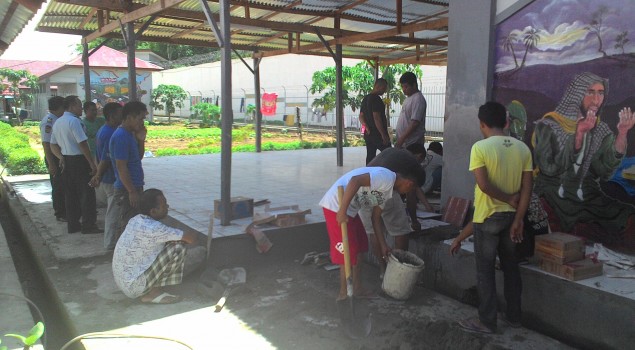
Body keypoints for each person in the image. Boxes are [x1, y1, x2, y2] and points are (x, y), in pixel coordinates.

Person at [459, 101, 533, 334]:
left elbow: (483, 185)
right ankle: (514, 317)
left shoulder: (480, 148)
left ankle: (487, 321)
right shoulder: (523, 149)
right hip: (512, 219)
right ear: (507, 122)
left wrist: (506, 198)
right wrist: (519, 217)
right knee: (511, 269)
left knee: (485, 271)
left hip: (487, 219)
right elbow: (527, 189)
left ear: (482, 124)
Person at [532, 72, 635, 238]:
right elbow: (549, 169)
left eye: (600, 93)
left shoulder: (601, 131)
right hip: (554, 191)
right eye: (590, 92)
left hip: (589, 194)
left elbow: (604, 172)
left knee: (628, 216)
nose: (596, 99)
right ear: (576, 94)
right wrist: (578, 135)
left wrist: (622, 134)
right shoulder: (549, 126)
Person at [319, 166, 418, 300]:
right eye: (410, 190)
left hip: (350, 211)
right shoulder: (386, 177)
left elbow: (375, 218)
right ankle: (343, 294)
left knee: (360, 246)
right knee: (347, 252)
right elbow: (355, 181)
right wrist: (342, 211)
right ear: (409, 183)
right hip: (336, 206)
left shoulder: (387, 190)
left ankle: (357, 288)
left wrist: (383, 246)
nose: (406, 193)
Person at [112, 189, 204, 304]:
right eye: (164, 204)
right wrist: (199, 227)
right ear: (153, 211)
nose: (168, 206)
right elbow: (191, 239)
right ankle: (153, 294)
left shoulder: (135, 220)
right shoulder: (155, 228)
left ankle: (150, 288)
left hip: (124, 282)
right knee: (178, 247)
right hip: (134, 287)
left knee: (169, 243)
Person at [360, 148, 428, 276]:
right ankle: (397, 273)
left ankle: (382, 271)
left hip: (363, 188)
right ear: (418, 156)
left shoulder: (394, 153)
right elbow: (411, 197)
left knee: (373, 231)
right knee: (401, 230)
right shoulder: (413, 169)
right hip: (383, 187)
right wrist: (414, 220)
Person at [49, 96, 102, 234]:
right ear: (72, 106)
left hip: (66, 160)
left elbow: (52, 144)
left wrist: (60, 157)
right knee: (87, 194)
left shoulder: (58, 122)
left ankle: (73, 225)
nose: (81, 109)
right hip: (79, 160)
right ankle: (88, 225)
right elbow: (82, 143)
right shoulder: (74, 121)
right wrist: (92, 164)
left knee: (70, 194)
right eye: (79, 105)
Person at [110, 101, 148, 237]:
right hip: (127, 189)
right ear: (130, 117)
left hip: (134, 186)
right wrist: (131, 191)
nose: (142, 123)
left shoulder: (130, 134)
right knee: (128, 225)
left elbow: (138, 157)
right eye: (140, 119)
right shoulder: (121, 137)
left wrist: (141, 140)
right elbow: (121, 167)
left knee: (134, 224)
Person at [89, 102, 124, 250]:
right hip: (110, 178)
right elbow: (105, 158)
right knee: (113, 212)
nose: (123, 116)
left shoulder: (104, 130)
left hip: (107, 177)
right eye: (120, 114)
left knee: (115, 211)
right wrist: (98, 174)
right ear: (111, 116)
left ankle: (112, 242)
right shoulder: (110, 133)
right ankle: (110, 243)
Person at [40, 96, 66, 222]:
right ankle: (60, 212)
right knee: (58, 185)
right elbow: (46, 143)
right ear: (59, 107)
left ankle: (64, 210)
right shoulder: (49, 121)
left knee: (63, 184)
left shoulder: (58, 119)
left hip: (59, 156)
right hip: (54, 157)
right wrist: (51, 164)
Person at [359, 78, 391, 164]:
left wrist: (366, 127)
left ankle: (368, 173)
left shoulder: (365, 99)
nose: (384, 91)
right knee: (389, 154)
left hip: (368, 134)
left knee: (370, 156)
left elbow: (361, 116)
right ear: (378, 86)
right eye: (384, 88)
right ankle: (390, 173)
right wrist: (383, 134)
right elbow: (376, 117)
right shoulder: (376, 99)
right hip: (378, 134)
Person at [395, 72, 426, 148]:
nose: (403, 89)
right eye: (402, 87)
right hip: (405, 142)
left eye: (406, 87)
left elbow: (414, 123)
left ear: (414, 85)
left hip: (413, 142)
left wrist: (402, 138)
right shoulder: (409, 98)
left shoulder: (418, 99)